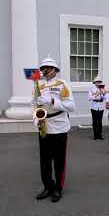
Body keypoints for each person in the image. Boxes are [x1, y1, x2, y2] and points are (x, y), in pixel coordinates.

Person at [33, 57, 75, 203]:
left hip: (59, 126)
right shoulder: (38, 85)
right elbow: (35, 105)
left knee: (59, 160)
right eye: (43, 67)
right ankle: (48, 187)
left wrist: (52, 101)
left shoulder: (62, 85)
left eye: (47, 67)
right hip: (44, 125)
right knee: (44, 160)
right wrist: (36, 119)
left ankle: (58, 188)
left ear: (54, 70)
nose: (44, 70)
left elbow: (71, 106)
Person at [88, 76, 106, 140]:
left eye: (99, 82)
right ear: (94, 82)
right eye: (97, 82)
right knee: (95, 121)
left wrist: (103, 93)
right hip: (94, 106)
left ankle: (100, 134)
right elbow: (90, 98)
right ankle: (95, 135)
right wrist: (97, 93)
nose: (98, 83)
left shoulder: (102, 88)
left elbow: (105, 98)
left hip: (101, 106)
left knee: (100, 121)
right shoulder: (91, 89)